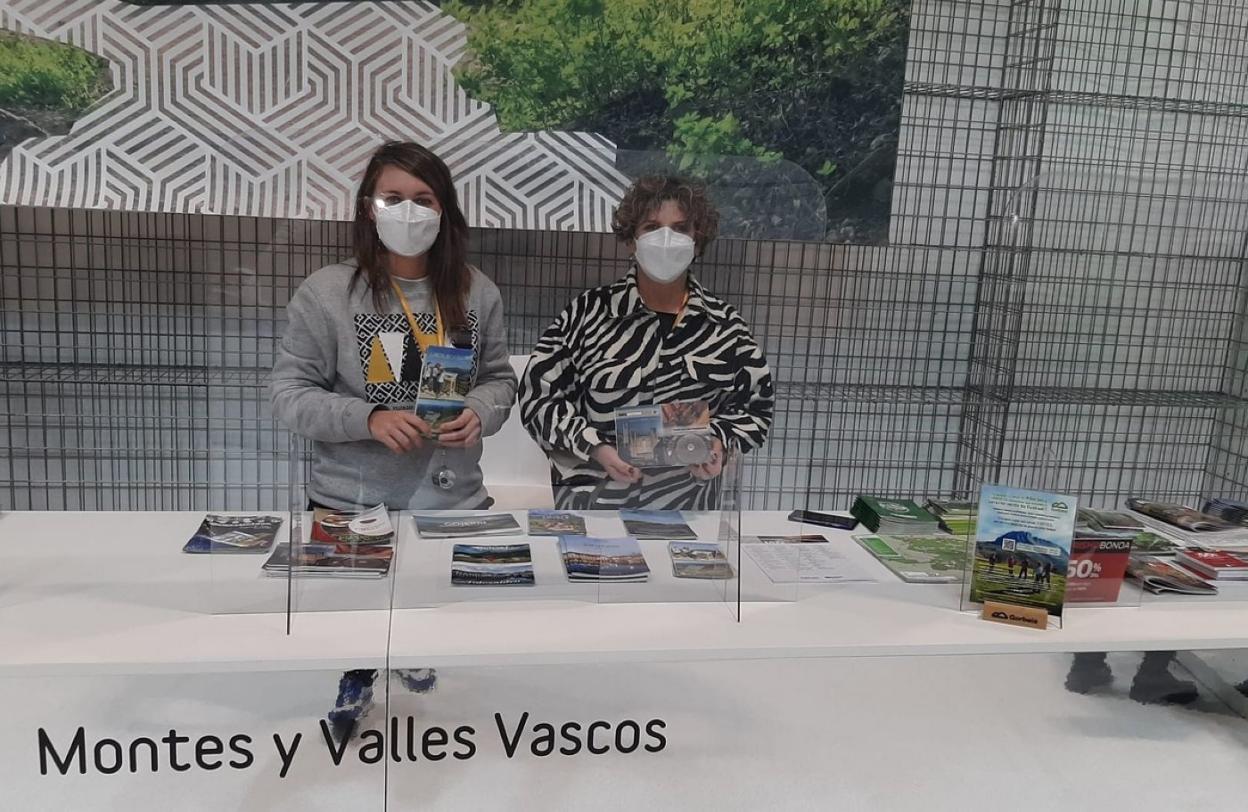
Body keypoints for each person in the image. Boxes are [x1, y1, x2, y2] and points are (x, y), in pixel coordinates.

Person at [271, 140, 517, 741]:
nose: (409, 211)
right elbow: (289, 394)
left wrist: (480, 412)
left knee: (430, 608)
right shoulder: (327, 292)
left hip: (452, 499)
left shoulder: (477, 292)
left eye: (424, 198)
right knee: (356, 621)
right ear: (368, 207)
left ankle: (414, 657)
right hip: (353, 500)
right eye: (393, 197)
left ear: (444, 209)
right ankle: (357, 676)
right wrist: (368, 417)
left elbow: (499, 379)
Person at [518, 175, 774, 510]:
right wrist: (594, 446)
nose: (666, 239)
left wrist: (719, 444)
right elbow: (538, 397)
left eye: (680, 228)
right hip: (593, 508)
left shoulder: (725, 327)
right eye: (652, 227)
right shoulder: (587, 314)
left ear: (697, 240)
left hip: (687, 512)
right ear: (631, 239)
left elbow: (755, 407)